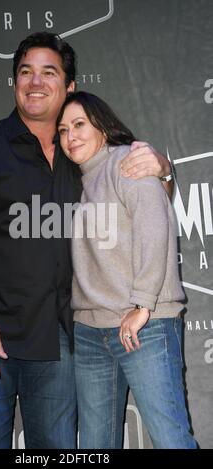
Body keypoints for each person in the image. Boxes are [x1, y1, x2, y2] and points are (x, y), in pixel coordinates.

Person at [0, 32, 173, 449]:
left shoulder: (83, 154)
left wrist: (164, 169)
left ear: (70, 86)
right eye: (26, 72)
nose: (36, 82)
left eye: (49, 72)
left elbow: (143, 202)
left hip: (59, 340)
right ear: (14, 83)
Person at [57, 91, 198, 449]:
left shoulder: (129, 163)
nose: (70, 136)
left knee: (170, 440)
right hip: (90, 331)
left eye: (79, 125)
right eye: (62, 130)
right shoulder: (76, 182)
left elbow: (155, 229)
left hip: (144, 326)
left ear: (102, 127)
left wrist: (142, 305)